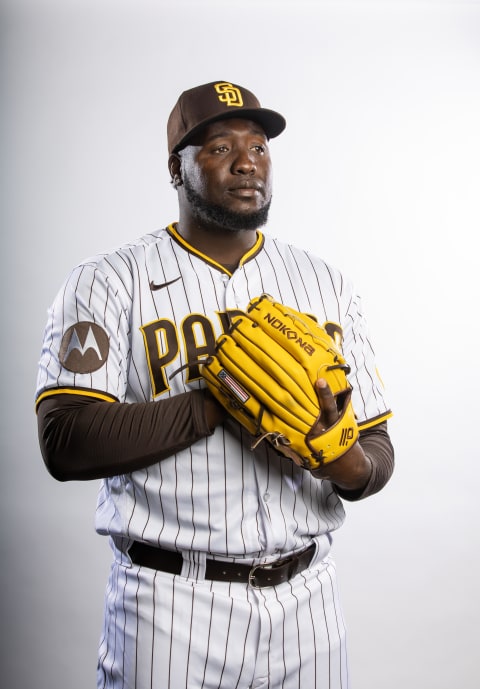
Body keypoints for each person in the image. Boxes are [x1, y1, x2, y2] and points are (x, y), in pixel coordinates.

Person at [36, 80, 394, 689]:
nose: (247, 159)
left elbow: (379, 450)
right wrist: (221, 402)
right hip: (169, 603)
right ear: (176, 169)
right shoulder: (107, 280)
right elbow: (65, 439)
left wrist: (345, 462)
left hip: (308, 602)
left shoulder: (324, 282)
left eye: (258, 145)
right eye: (220, 146)